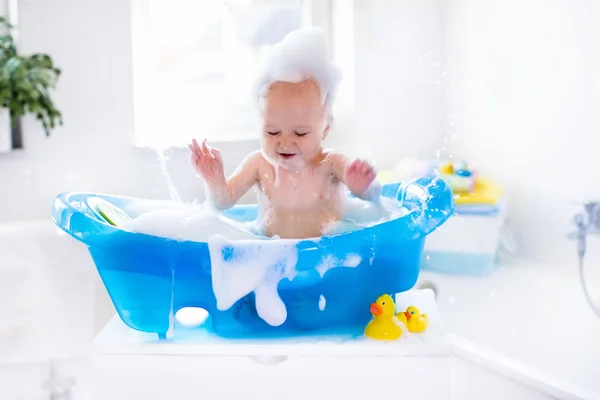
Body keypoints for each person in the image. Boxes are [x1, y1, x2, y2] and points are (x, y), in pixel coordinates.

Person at [188, 27, 380, 239]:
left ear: (325, 128)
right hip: (274, 254)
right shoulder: (258, 164)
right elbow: (223, 202)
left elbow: (372, 199)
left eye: (300, 133)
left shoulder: (332, 164)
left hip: (326, 256)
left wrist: (362, 187)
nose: (285, 142)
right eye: (272, 132)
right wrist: (215, 181)